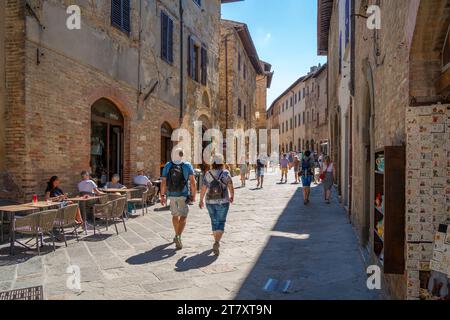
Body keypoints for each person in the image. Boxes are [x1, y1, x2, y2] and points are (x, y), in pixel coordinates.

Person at [160, 149, 197, 250]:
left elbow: (163, 182)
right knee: (184, 216)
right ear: (182, 155)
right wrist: (194, 195)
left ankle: (176, 234)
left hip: (171, 195)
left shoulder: (168, 165)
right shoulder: (187, 165)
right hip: (183, 195)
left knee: (175, 215)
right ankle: (178, 236)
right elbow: (193, 182)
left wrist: (162, 195)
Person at [199, 154, 234, 256]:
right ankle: (217, 242)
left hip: (210, 202)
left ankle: (216, 240)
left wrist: (201, 200)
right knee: (221, 222)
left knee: (214, 221)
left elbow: (204, 188)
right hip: (223, 201)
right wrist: (232, 196)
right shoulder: (225, 173)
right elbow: (231, 186)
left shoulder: (208, 174)